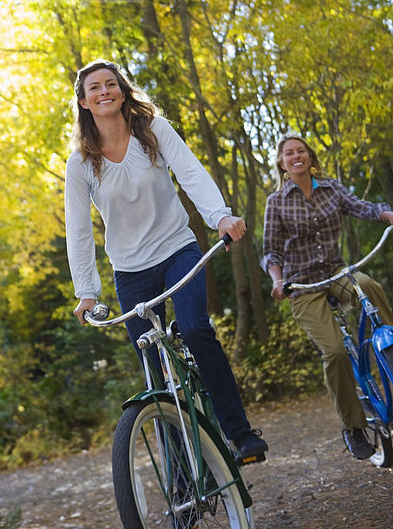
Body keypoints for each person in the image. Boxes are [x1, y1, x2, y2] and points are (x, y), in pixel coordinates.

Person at [64, 58, 268, 467]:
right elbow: (79, 231)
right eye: (94, 88)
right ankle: (181, 473)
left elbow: (191, 173)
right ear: (84, 102)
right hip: (130, 272)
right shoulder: (81, 162)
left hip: (178, 250)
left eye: (110, 84)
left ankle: (240, 434)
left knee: (194, 328)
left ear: (121, 90)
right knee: (153, 369)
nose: (104, 91)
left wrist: (220, 216)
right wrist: (86, 292)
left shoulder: (152, 130)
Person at [261, 134, 393, 460]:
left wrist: (387, 215)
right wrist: (278, 281)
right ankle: (354, 427)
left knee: (369, 287)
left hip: (337, 274)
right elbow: (271, 252)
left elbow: (362, 207)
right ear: (281, 163)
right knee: (334, 352)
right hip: (303, 288)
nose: (296, 156)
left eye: (301, 151)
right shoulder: (276, 202)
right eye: (289, 153)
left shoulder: (331, 188)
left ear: (309, 156)